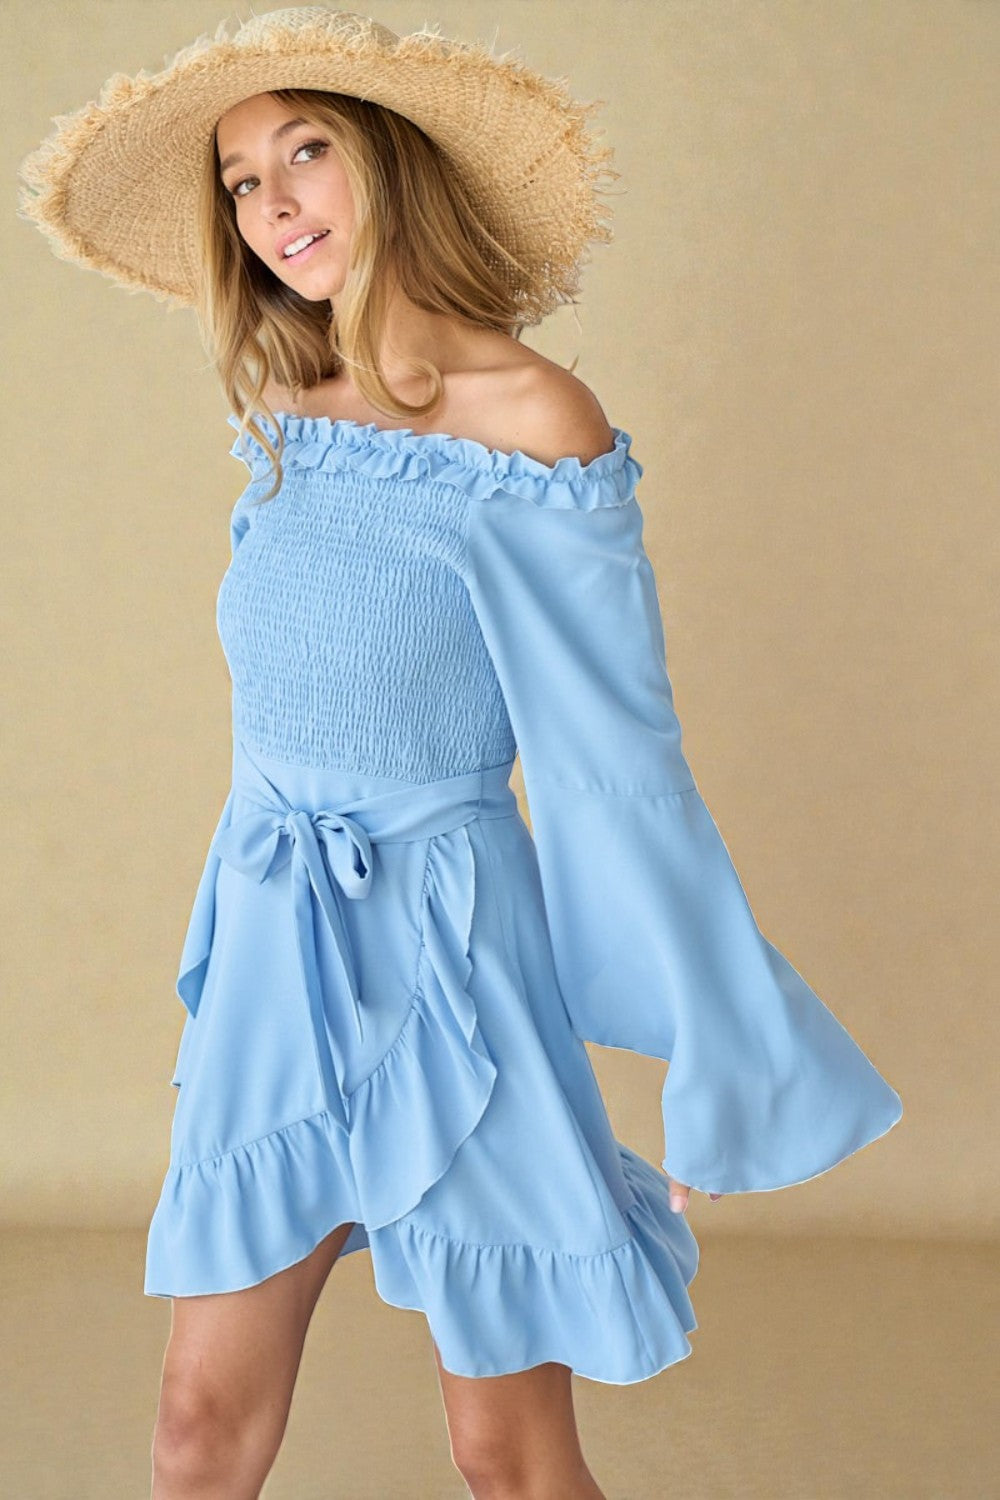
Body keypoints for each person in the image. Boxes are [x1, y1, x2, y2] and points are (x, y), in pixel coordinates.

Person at [17, 8, 903, 1498]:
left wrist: (712, 1047)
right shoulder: (285, 417)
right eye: (241, 180)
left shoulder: (537, 424)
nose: (275, 202)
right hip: (274, 950)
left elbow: (621, 760)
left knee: (507, 1452)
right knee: (193, 1426)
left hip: (455, 964)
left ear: (393, 169)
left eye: (308, 152)